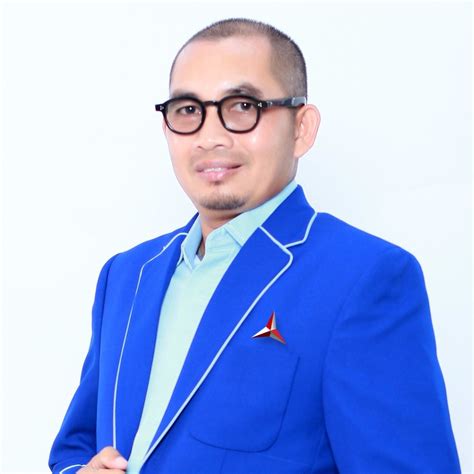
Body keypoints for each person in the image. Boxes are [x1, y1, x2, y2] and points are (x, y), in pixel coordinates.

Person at [49, 18, 461, 474]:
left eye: (243, 106)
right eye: (188, 110)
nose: (210, 137)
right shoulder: (127, 275)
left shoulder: (365, 278)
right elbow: (76, 447)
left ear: (302, 128)